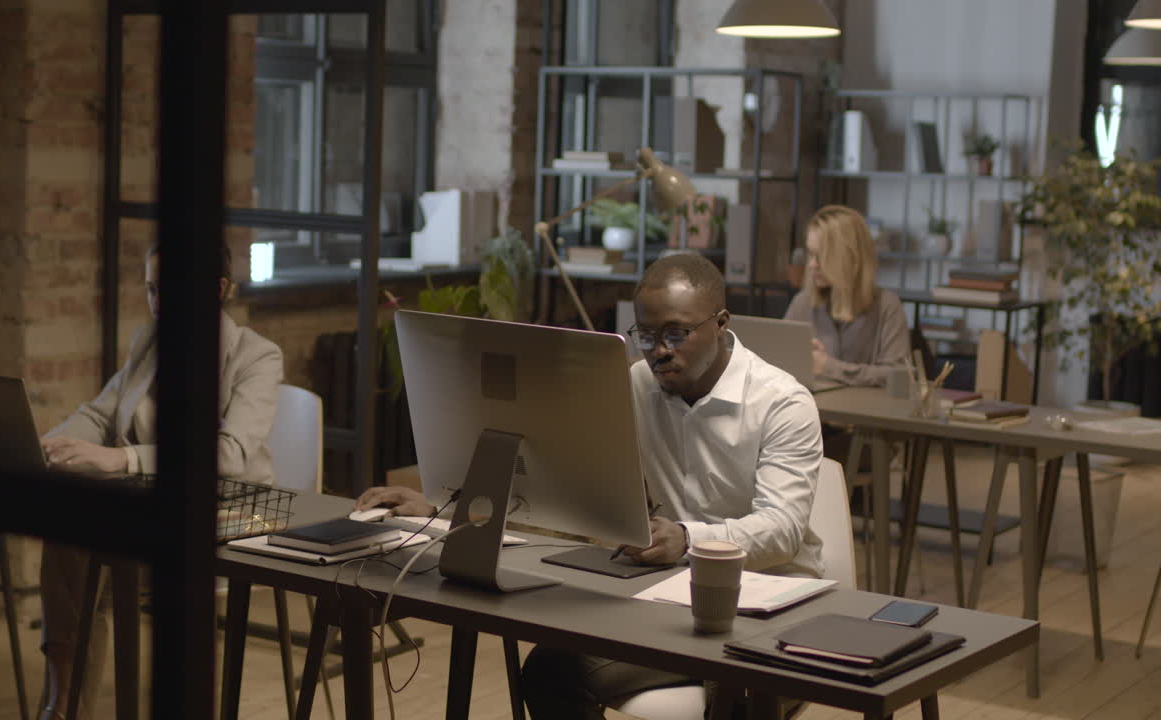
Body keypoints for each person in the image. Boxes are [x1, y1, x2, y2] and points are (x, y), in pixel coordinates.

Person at [357, 254, 823, 718]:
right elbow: (561, 478)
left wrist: (686, 538)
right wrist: (442, 505)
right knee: (548, 672)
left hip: (772, 606)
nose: (659, 350)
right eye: (646, 335)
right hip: (673, 596)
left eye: (676, 333)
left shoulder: (782, 403)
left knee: (734, 694)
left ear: (720, 323)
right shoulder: (638, 384)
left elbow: (782, 529)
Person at [36, 243, 283, 720]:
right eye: (151, 290)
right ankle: (63, 703)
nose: (158, 304)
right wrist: (52, 444)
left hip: (236, 510)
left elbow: (228, 455)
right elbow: (99, 412)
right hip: (158, 497)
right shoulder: (150, 342)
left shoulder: (256, 357)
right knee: (66, 526)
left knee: (105, 543)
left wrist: (120, 459)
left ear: (218, 290)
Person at [784, 204, 910, 387]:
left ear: (848, 257)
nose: (812, 265)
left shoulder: (887, 306)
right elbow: (776, 363)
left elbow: (899, 377)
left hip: (864, 413)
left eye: (821, 256)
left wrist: (828, 367)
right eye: (811, 254)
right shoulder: (803, 303)